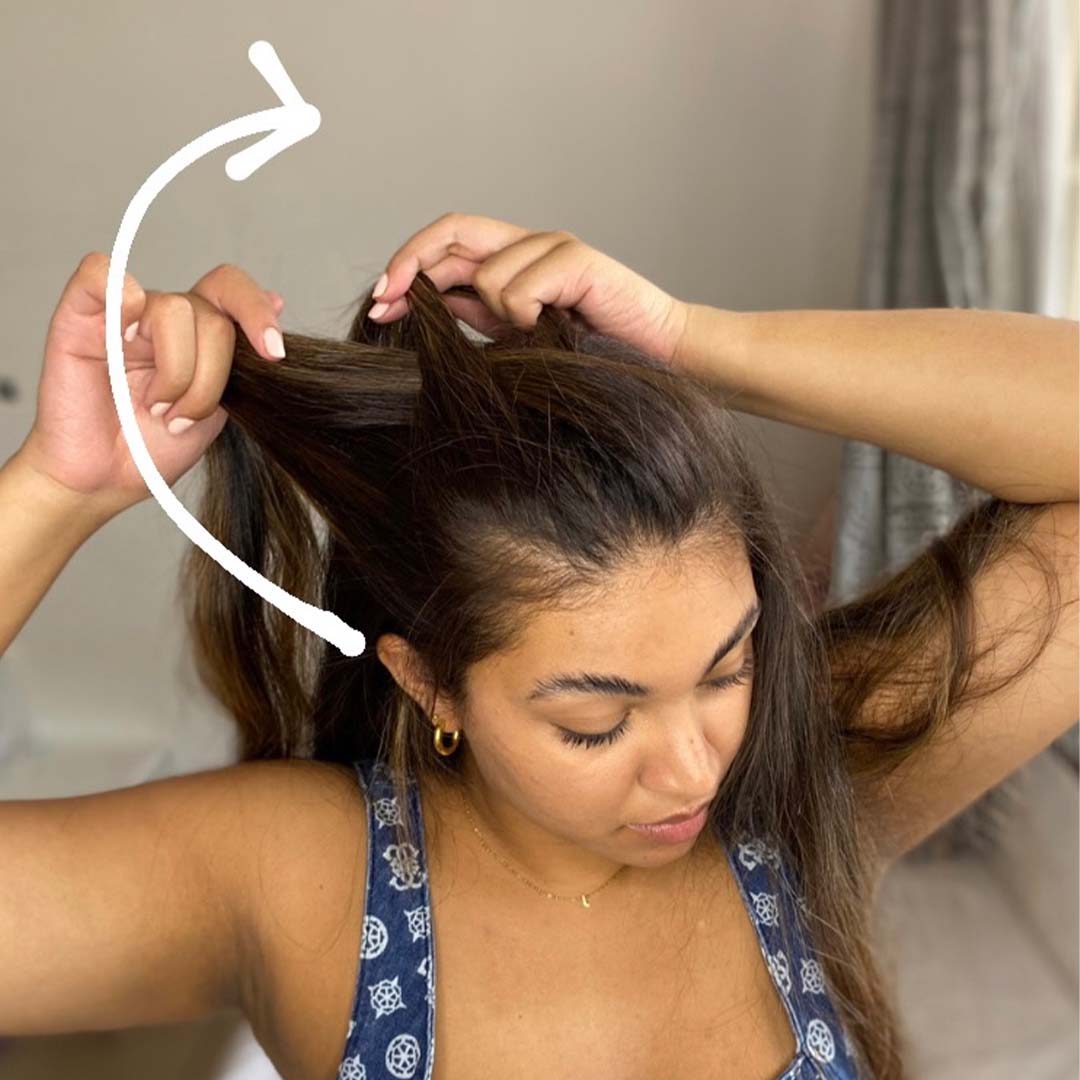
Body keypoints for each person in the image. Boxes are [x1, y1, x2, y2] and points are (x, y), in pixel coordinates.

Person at [1, 212, 1076, 1080]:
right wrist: (58, 489)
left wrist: (692, 342)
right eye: (594, 723)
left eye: (729, 669)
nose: (695, 771)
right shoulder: (296, 874)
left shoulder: (802, 782)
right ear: (431, 682)